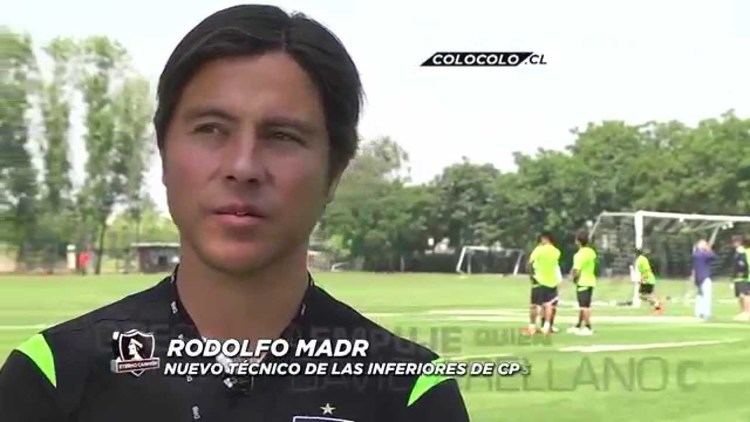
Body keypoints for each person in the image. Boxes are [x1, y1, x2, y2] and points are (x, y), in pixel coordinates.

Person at [0, 5, 469, 421]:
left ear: (334, 170)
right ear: (164, 154)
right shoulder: (53, 378)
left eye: (282, 136)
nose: (243, 167)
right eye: (210, 129)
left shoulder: (411, 393)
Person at [524, 231, 561, 335]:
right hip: (551, 281)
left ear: (545, 238)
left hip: (539, 280)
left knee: (534, 305)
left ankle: (532, 326)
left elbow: (529, 263)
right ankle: (547, 326)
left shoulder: (539, 249)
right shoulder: (556, 251)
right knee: (548, 304)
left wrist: (531, 275)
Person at [567, 231, 597, 336]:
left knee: (584, 306)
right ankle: (578, 325)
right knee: (585, 305)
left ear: (578, 241)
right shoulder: (591, 252)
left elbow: (577, 270)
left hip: (583, 281)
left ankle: (588, 327)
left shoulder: (579, 255)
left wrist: (572, 278)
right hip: (591, 281)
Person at [691, 239, 715, 321]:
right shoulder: (699, 254)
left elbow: (712, 257)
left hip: (700, 277)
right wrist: (708, 249)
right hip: (704, 277)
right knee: (704, 296)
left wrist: (707, 249)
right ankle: (704, 313)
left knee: (701, 295)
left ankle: (700, 313)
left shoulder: (698, 254)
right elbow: (712, 256)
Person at [635, 248, 664, 314]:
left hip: (648, 280)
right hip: (650, 280)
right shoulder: (642, 259)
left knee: (642, 295)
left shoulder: (641, 260)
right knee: (647, 295)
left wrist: (642, 279)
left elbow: (647, 270)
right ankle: (657, 306)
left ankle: (657, 303)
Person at [730, 235, 750, 321]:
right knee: (740, 296)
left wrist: (742, 273)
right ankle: (742, 312)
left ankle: (747, 312)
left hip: (744, 277)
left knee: (745, 295)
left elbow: (743, 264)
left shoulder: (743, 252)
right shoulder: (738, 252)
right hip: (738, 277)